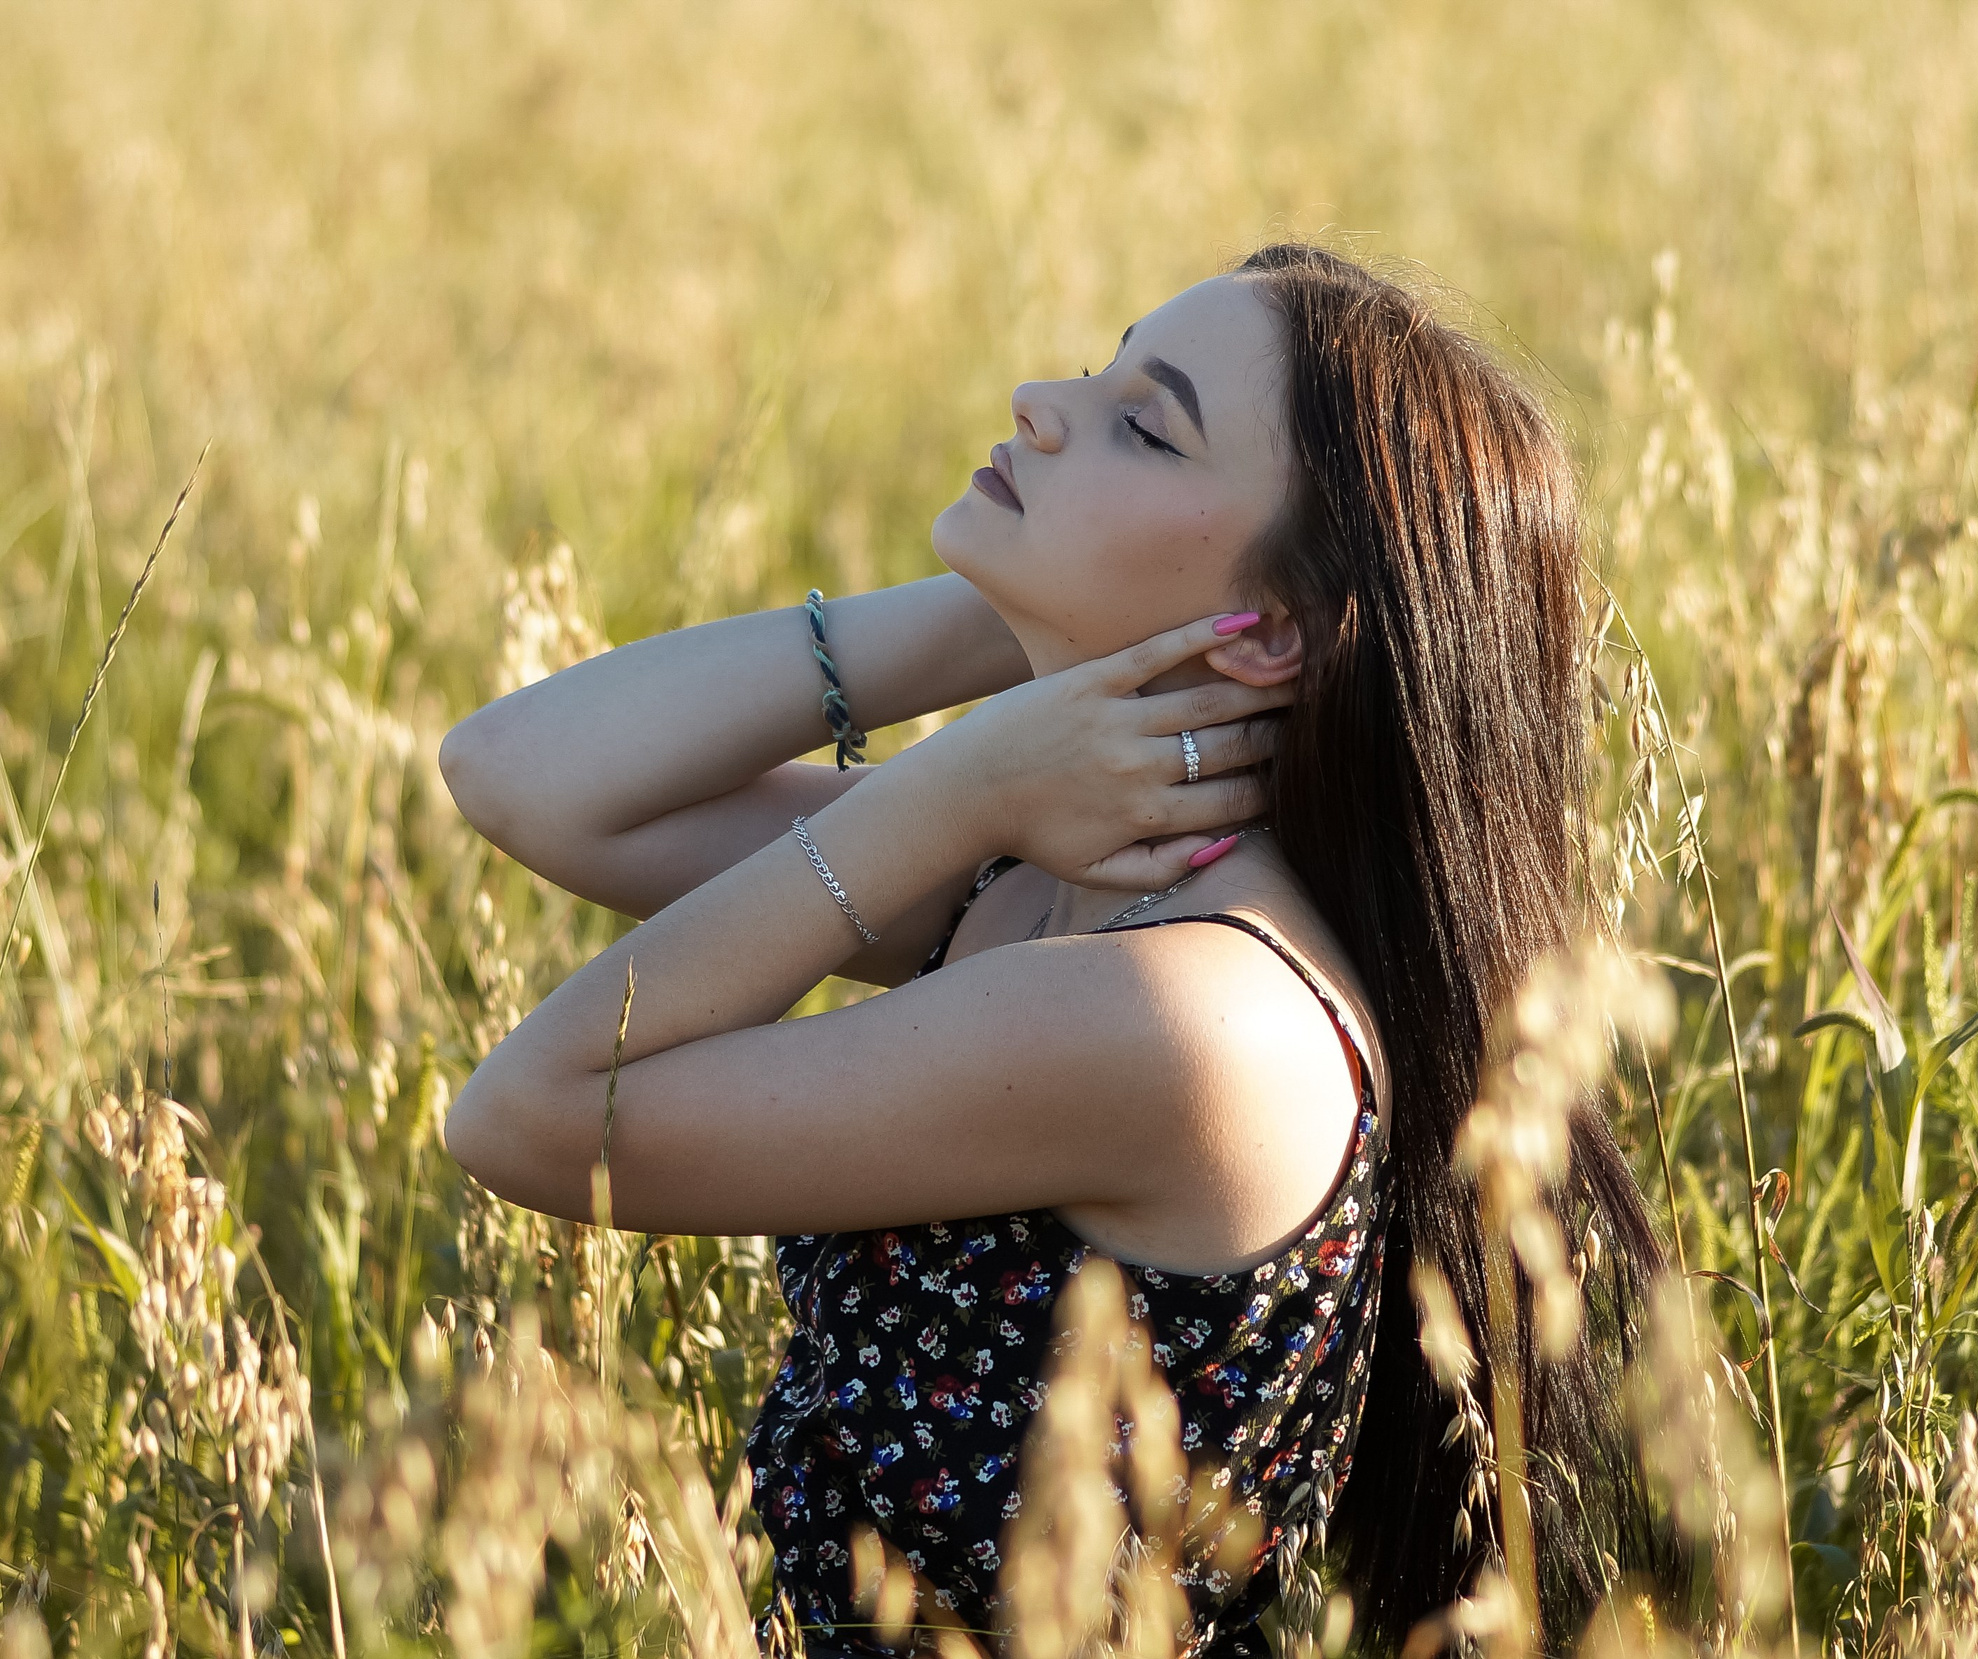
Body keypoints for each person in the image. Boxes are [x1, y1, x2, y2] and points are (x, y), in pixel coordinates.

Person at [438, 244, 1678, 1658]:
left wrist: (958, 784)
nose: (1041, 401)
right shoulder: (1082, 875)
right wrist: (1015, 617)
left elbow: (526, 1119)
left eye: (1143, 425)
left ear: (1270, 628)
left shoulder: (1190, 1016)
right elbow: (521, 774)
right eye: (1101, 371)